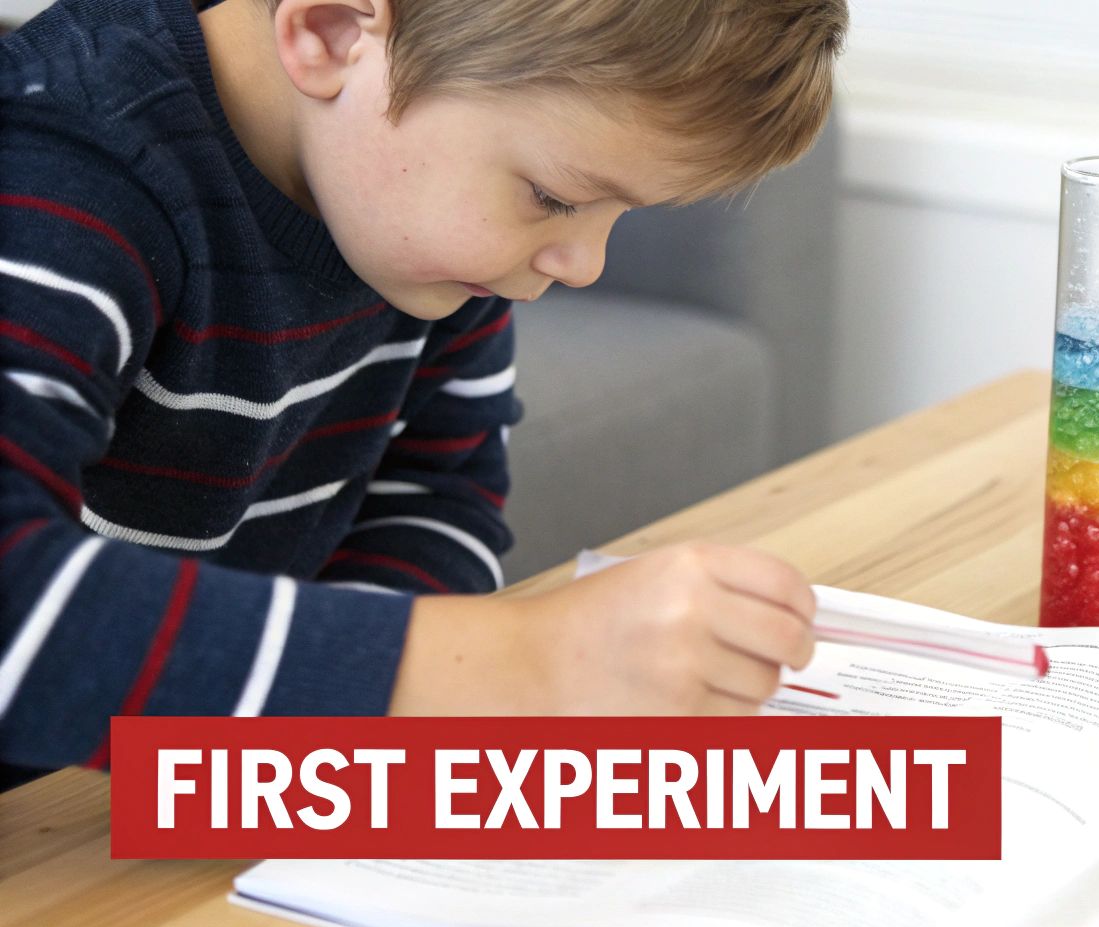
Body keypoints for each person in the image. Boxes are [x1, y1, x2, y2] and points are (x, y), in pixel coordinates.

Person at [0, 0, 845, 781]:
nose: (581, 266)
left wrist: (344, 752)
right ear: (330, 31)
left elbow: (435, 496)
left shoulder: (408, 230)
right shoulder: (55, 171)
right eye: (554, 197)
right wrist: (524, 660)